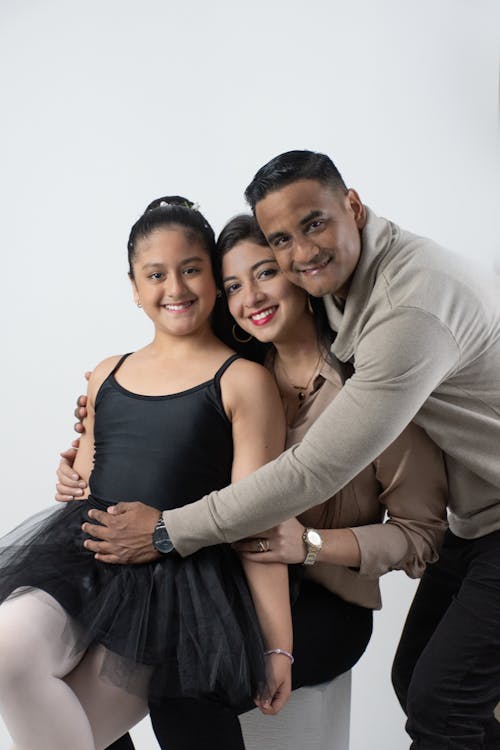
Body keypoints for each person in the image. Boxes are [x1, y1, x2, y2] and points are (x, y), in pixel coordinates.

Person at [56, 151, 500, 750]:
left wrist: (302, 543)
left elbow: (407, 528)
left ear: (353, 208)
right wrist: (99, 423)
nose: (254, 292)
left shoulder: (379, 362)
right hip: (250, 576)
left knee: (438, 704)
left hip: (328, 594)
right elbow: (162, 428)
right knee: (95, 657)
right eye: (234, 282)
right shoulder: (240, 374)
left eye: (266, 270)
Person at [0, 197, 293, 750]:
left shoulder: (244, 382)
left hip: (174, 587)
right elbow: (83, 481)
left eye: (190, 269)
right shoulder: (108, 373)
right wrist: (70, 474)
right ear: (134, 287)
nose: (175, 288)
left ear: (213, 273)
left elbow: (259, 517)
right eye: (155, 275)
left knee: (70, 733)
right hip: (84, 560)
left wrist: (278, 645)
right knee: (6, 652)